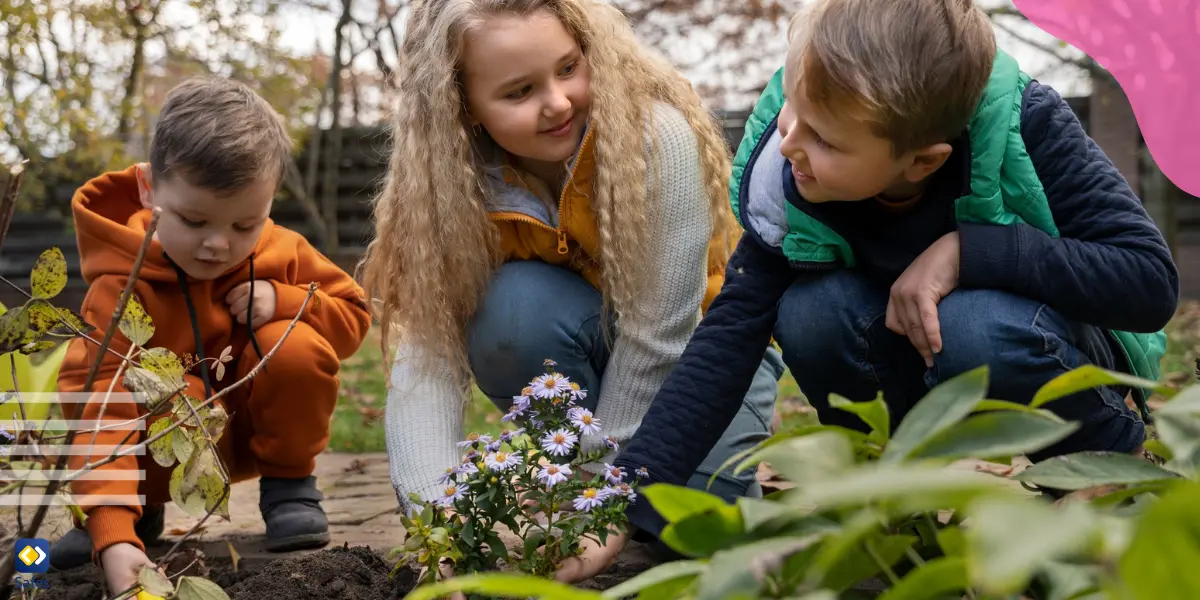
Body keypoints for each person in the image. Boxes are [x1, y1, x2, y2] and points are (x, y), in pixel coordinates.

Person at [564, 0, 1181, 578]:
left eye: (827, 141)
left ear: (923, 162)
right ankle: (893, 500)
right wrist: (621, 502)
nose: (791, 144)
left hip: (1028, 345)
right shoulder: (789, 181)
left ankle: (1107, 478)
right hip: (902, 360)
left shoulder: (1026, 126)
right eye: (793, 109)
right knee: (811, 310)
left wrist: (974, 251)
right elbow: (728, 336)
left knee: (978, 329)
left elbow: (1148, 282)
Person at [358, 0, 784, 578]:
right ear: (466, 106)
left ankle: (632, 500)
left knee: (696, 533)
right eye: (518, 92)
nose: (557, 102)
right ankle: (587, 492)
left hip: (702, 365)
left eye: (567, 68)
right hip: (575, 356)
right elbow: (427, 361)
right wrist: (436, 528)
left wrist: (601, 497)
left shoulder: (655, 139)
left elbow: (659, 338)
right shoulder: (447, 190)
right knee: (511, 311)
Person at [51, 76, 372, 593]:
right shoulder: (122, 285)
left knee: (296, 344)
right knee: (137, 385)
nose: (218, 245)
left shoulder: (282, 251)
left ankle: (290, 487)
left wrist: (287, 301)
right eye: (194, 221)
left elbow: (354, 320)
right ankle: (132, 512)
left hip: (246, 430)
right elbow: (101, 407)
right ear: (150, 188)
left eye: (245, 226)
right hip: (157, 447)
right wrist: (111, 532)